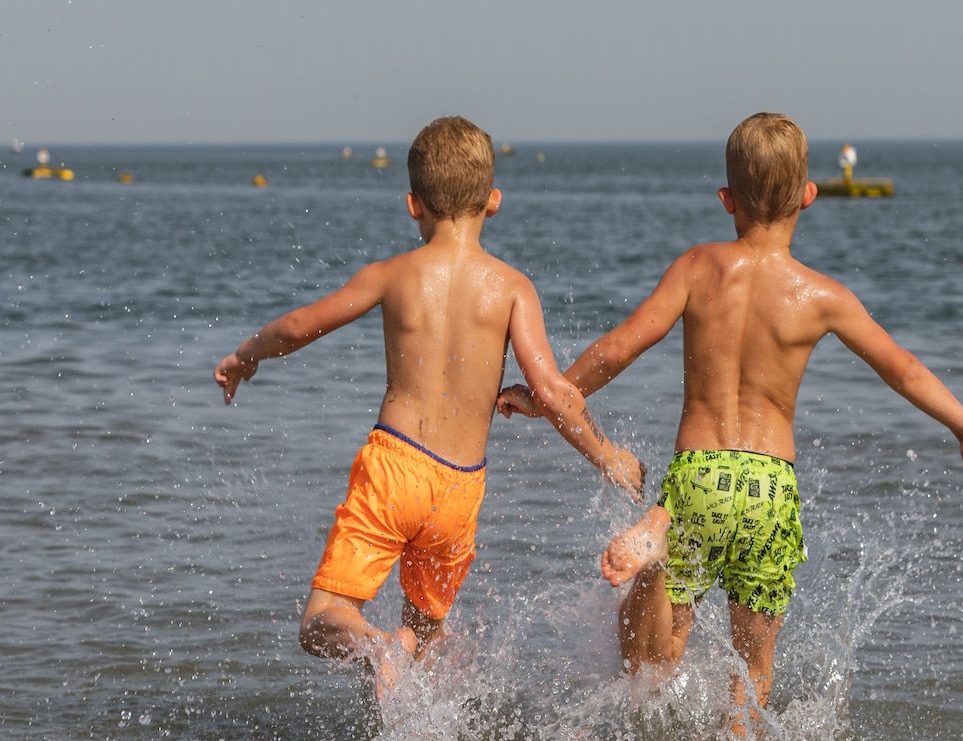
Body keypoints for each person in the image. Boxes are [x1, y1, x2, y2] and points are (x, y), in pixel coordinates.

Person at [497, 112, 963, 717]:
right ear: (808, 197)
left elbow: (620, 347)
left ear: (726, 199)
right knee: (755, 669)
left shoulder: (697, 268)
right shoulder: (822, 296)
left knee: (650, 665)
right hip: (770, 490)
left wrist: (550, 395)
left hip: (699, 479)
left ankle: (657, 545)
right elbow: (902, 367)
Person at [215, 116, 643, 691]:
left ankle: (372, 647)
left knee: (322, 622)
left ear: (412, 205)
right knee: (423, 638)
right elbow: (553, 392)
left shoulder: (392, 275)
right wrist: (608, 455)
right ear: (493, 201)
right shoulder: (512, 287)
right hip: (460, 491)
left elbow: (296, 329)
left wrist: (246, 355)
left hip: (396, 469)